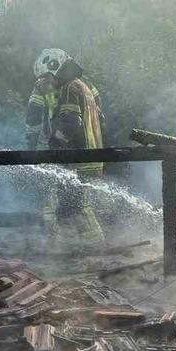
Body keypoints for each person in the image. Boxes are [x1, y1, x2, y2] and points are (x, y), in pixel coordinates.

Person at [25, 47, 105, 249]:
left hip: (79, 158)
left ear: (55, 69)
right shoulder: (85, 85)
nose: (43, 83)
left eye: (46, 77)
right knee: (73, 206)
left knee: (71, 207)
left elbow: (71, 122)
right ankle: (77, 246)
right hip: (91, 154)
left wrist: (54, 146)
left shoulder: (70, 87)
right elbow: (100, 118)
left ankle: (92, 247)